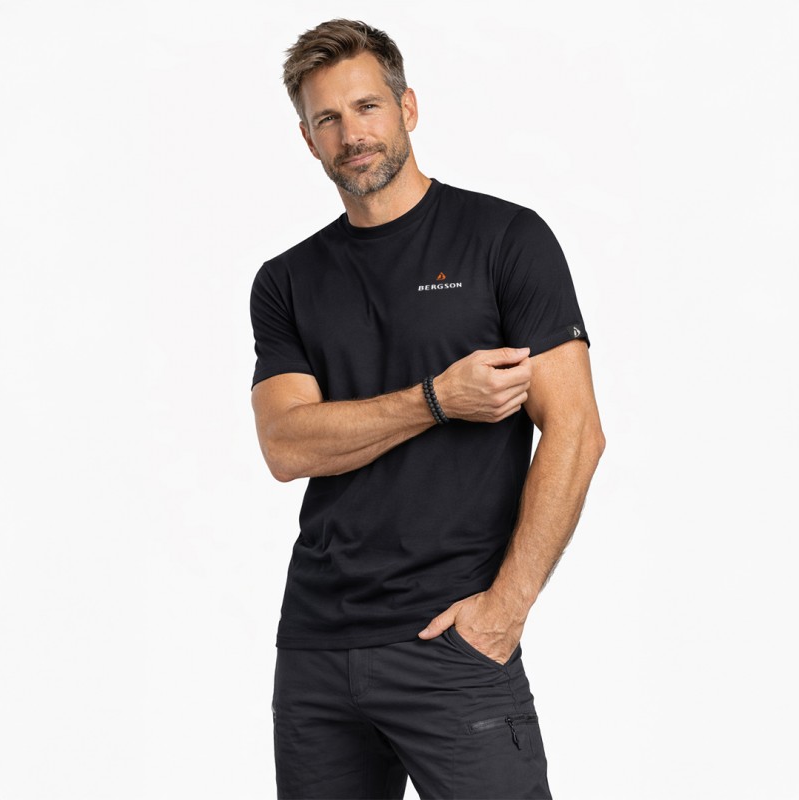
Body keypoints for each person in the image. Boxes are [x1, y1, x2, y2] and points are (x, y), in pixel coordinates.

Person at [249, 18, 605, 800]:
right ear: (307, 139)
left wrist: (504, 612)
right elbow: (286, 445)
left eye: (367, 107)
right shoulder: (287, 281)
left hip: (452, 643)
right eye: (327, 119)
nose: (351, 134)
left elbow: (577, 431)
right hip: (314, 650)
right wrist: (438, 399)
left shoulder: (505, 238)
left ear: (408, 107)